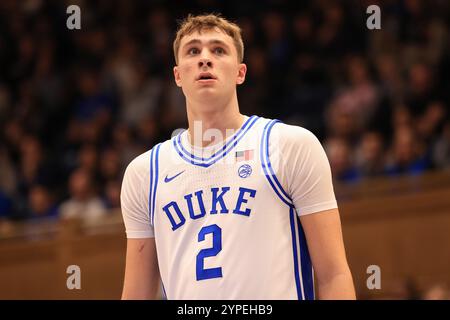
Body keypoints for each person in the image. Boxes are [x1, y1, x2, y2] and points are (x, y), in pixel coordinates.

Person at [120, 13, 355, 300]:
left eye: (218, 50)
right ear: (178, 75)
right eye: (193, 51)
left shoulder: (289, 145)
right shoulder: (144, 173)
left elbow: (334, 275)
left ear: (241, 72)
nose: (205, 58)